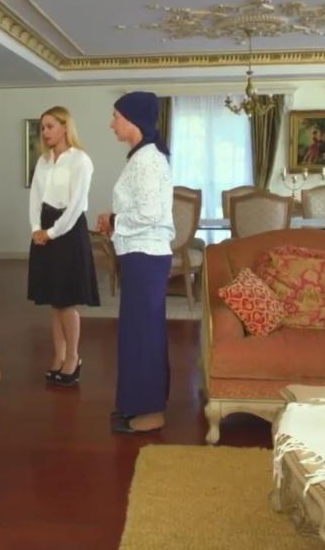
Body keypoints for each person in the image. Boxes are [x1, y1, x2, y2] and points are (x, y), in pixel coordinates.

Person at [96, 91, 175, 434]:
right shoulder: (142, 156)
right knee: (138, 332)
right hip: (141, 255)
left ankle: (150, 411)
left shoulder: (147, 160)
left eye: (116, 116)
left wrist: (115, 221)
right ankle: (136, 404)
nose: (111, 123)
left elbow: (150, 213)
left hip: (146, 256)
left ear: (133, 119)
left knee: (143, 333)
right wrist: (116, 220)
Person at [26, 106, 100, 386]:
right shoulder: (44, 161)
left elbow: (77, 205)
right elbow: (35, 198)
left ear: (65, 127)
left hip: (67, 231)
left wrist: (52, 233)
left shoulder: (80, 160)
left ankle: (73, 357)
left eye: (50, 126)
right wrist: (36, 228)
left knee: (66, 301)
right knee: (54, 301)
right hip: (44, 228)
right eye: (42, 127)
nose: (45, 132)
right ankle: (58, 356)